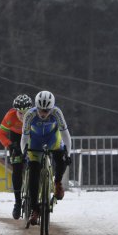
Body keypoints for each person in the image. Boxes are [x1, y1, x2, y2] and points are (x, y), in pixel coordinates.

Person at [20, 90, 71, 225]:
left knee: (62, 158)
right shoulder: (30, 114)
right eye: (41, 110)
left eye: (47, 110)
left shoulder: (57, 113)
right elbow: (24, 137)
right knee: (34, 173)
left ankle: (57, 183)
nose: (43, 113)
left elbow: (65, 134)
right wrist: (23, 151)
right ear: (36, 106)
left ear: (52, 108)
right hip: (35, 141)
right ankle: (34, 208)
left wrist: (68, 153)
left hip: (52, 139)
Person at [0, 94, 32, 219]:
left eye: (25, 113)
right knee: (17, 169)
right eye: (20, 113)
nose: (22, 116)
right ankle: (17, 203)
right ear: (15, 111)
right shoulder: (10, 116)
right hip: (16, 138)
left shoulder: (34, 116)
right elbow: (1, 134)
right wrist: (10, 145)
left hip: (30, 137)